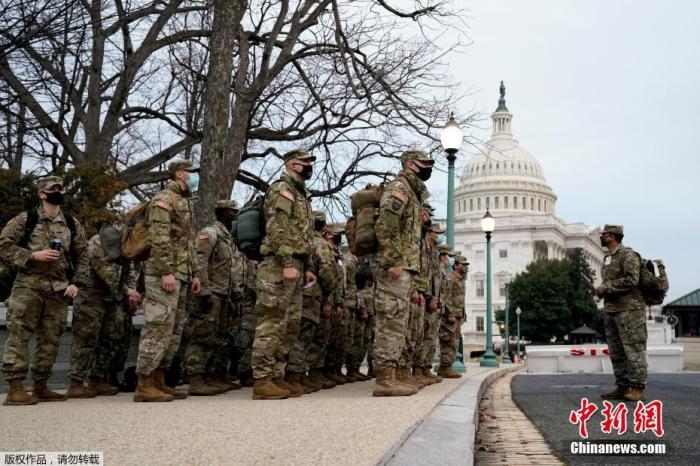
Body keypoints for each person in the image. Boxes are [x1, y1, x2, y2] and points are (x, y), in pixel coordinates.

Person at [1, 175, 89, 405]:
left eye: (60, 188)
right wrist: (32, 255)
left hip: (58, 290)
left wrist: (75, 283)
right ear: (42, 193)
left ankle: (40, 385)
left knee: (51, 339)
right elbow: (4, 246)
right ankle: (15, 388)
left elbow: (83, 256)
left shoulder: (71, 223)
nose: (57, 191)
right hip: (28, 287)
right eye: (53, 189)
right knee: (19, 336)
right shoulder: (25, 219)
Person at [251, 149, 316, 400]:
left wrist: (307, 266)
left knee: (289, 324)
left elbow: (303, 234)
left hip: (296, 264)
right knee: (272, 321)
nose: (309, 166)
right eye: (305, 163)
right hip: (279, 264)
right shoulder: (282, 190)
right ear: (291, 164)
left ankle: (277, 375)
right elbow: (278, 228)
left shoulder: (301, 194)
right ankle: (262, 379)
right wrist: (288, 261)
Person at [134, 160, 201, 402]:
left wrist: (193, 274)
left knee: (174, 329)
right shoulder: (163, 200)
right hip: (164, 272)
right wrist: (165, 271)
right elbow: (159, 237)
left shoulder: (186, 202)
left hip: (181, 273)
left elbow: (188, 241)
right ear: (180, 174)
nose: (196, 177)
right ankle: (144, 382)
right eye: (193, 173)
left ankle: (159, 380)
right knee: (158, 326)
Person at [372, 149, 433, 397]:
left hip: (406, 266)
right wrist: (393, 260)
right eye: (423, 164)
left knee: (399, 322)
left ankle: (395, 373)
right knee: (391, 320)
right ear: (409, 164)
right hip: (395, 266)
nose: (427, 168)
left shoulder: (412, 193)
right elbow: (386, 225)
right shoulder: (399, 188)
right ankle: (385, 378)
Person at [67, 224, 140, 398]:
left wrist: (131, 293)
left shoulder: (124, 246)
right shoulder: (97, 242)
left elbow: (128, 270)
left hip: (111, 298)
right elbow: (105, 272)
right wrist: (127, 291)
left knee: (109, 339)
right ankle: (76, 383)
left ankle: (96, 380)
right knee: (86, 340)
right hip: (90, 297)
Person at [185, 200, 240, 396]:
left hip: (224, 294)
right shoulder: (210, 233)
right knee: (203, 335)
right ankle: (196, 378)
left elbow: (229, 268)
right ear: (223, 213)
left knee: (220, 337)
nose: (236, 216)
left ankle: (213, 375)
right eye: (233, 212)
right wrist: (204, 290)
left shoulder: (228, 237)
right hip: (211, 293)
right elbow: (199, 260)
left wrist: (235, 290)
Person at [288, 212, 337, 393]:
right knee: (304, 337)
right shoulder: (320, 245)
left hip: (299, 293)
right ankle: (295, 378)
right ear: (323, 227)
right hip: (311, 295)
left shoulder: (303, 240)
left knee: (299, 335)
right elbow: (326, 271)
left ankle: (299, 376)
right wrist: (330, 291)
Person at [597, 224, 647, 402]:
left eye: (604, 234)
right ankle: (622, 385)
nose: (601, 237)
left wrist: (607, 287)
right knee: (616, 351)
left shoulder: (628, 255)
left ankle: (637, 388)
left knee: (633, 350)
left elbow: (632, 280)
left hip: (630, 310)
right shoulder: (607, 258)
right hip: (612, 310)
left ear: (612, 236)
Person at [438, 255, 468, 378]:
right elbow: (446, 296)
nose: (465, 267)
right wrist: (449, 313)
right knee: (448, 342)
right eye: (463, 265)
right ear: (456, 265)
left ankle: (447, 367)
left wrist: (463, 314)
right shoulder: (451, 278)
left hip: (458, 316)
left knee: (454, 343)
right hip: (451, 316)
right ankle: (444, 367)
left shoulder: (460, 279)